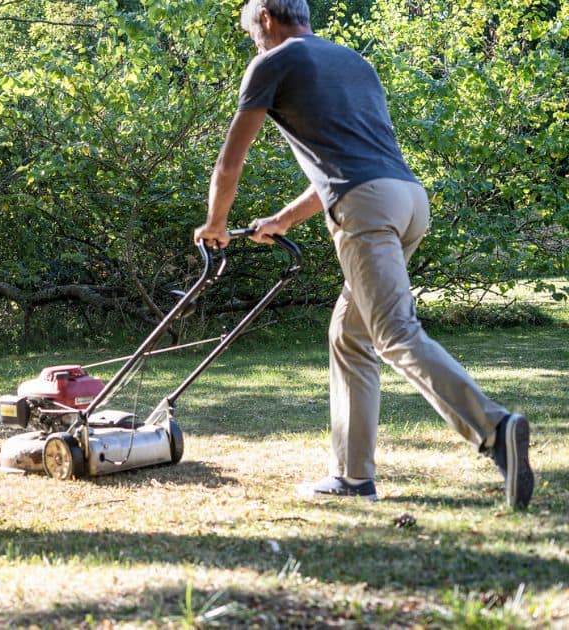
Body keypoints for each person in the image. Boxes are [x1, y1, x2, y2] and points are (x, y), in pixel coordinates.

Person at [193, 0, 534, 508]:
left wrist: (215, 224)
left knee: (395, 334)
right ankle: (352, 477)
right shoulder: (354, 61)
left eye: (253, 34)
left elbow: (230, 159)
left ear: (266, 18)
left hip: (367, 208)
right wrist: (283, 220)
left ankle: (494, 428)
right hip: (407, 198)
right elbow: (350, 162)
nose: (255, 44)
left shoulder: (273, 61)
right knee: (350, 334)